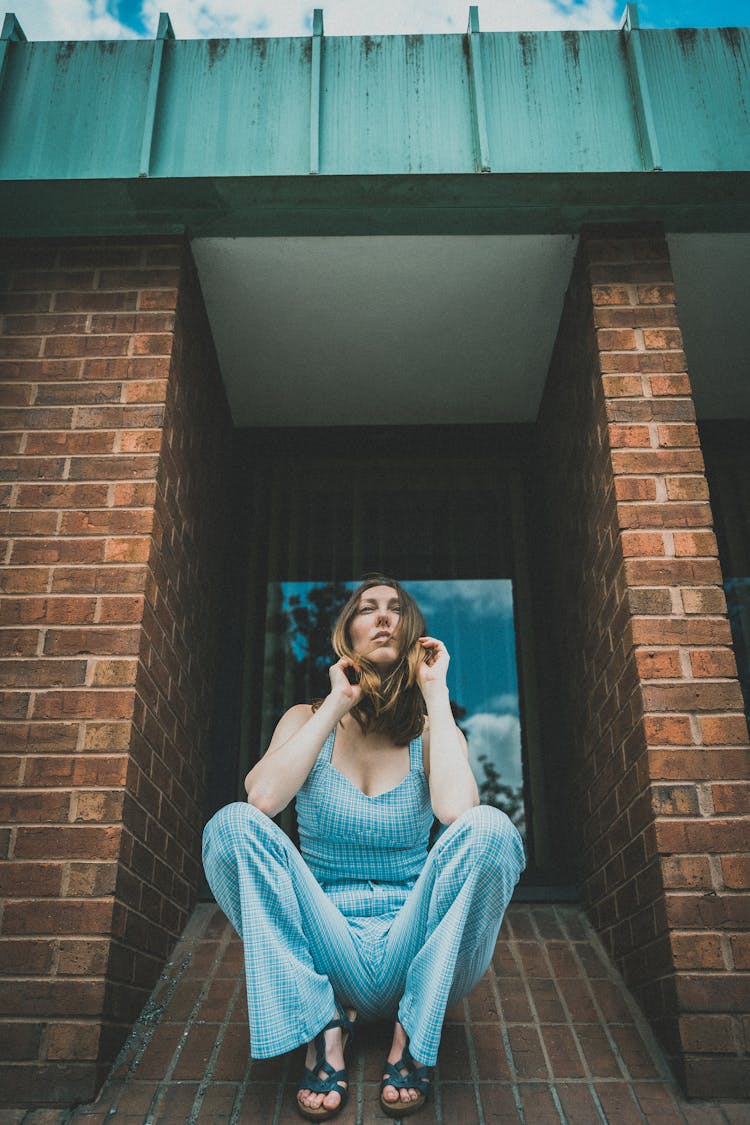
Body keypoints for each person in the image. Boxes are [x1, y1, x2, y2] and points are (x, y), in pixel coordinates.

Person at [202, 577, 526, 1121]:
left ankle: (413, 1027)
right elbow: (261, 798)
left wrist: (436, 694)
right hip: (324, 946)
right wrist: (335, 703)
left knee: (491, 829)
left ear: (413, 631)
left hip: (415, 947)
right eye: (367, 609)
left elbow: (458, 814)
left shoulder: (432, 730)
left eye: (396, 610)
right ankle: (323, 1021)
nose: (382, 618)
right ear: (346, 630)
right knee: (232, 827)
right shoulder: (306, 719)